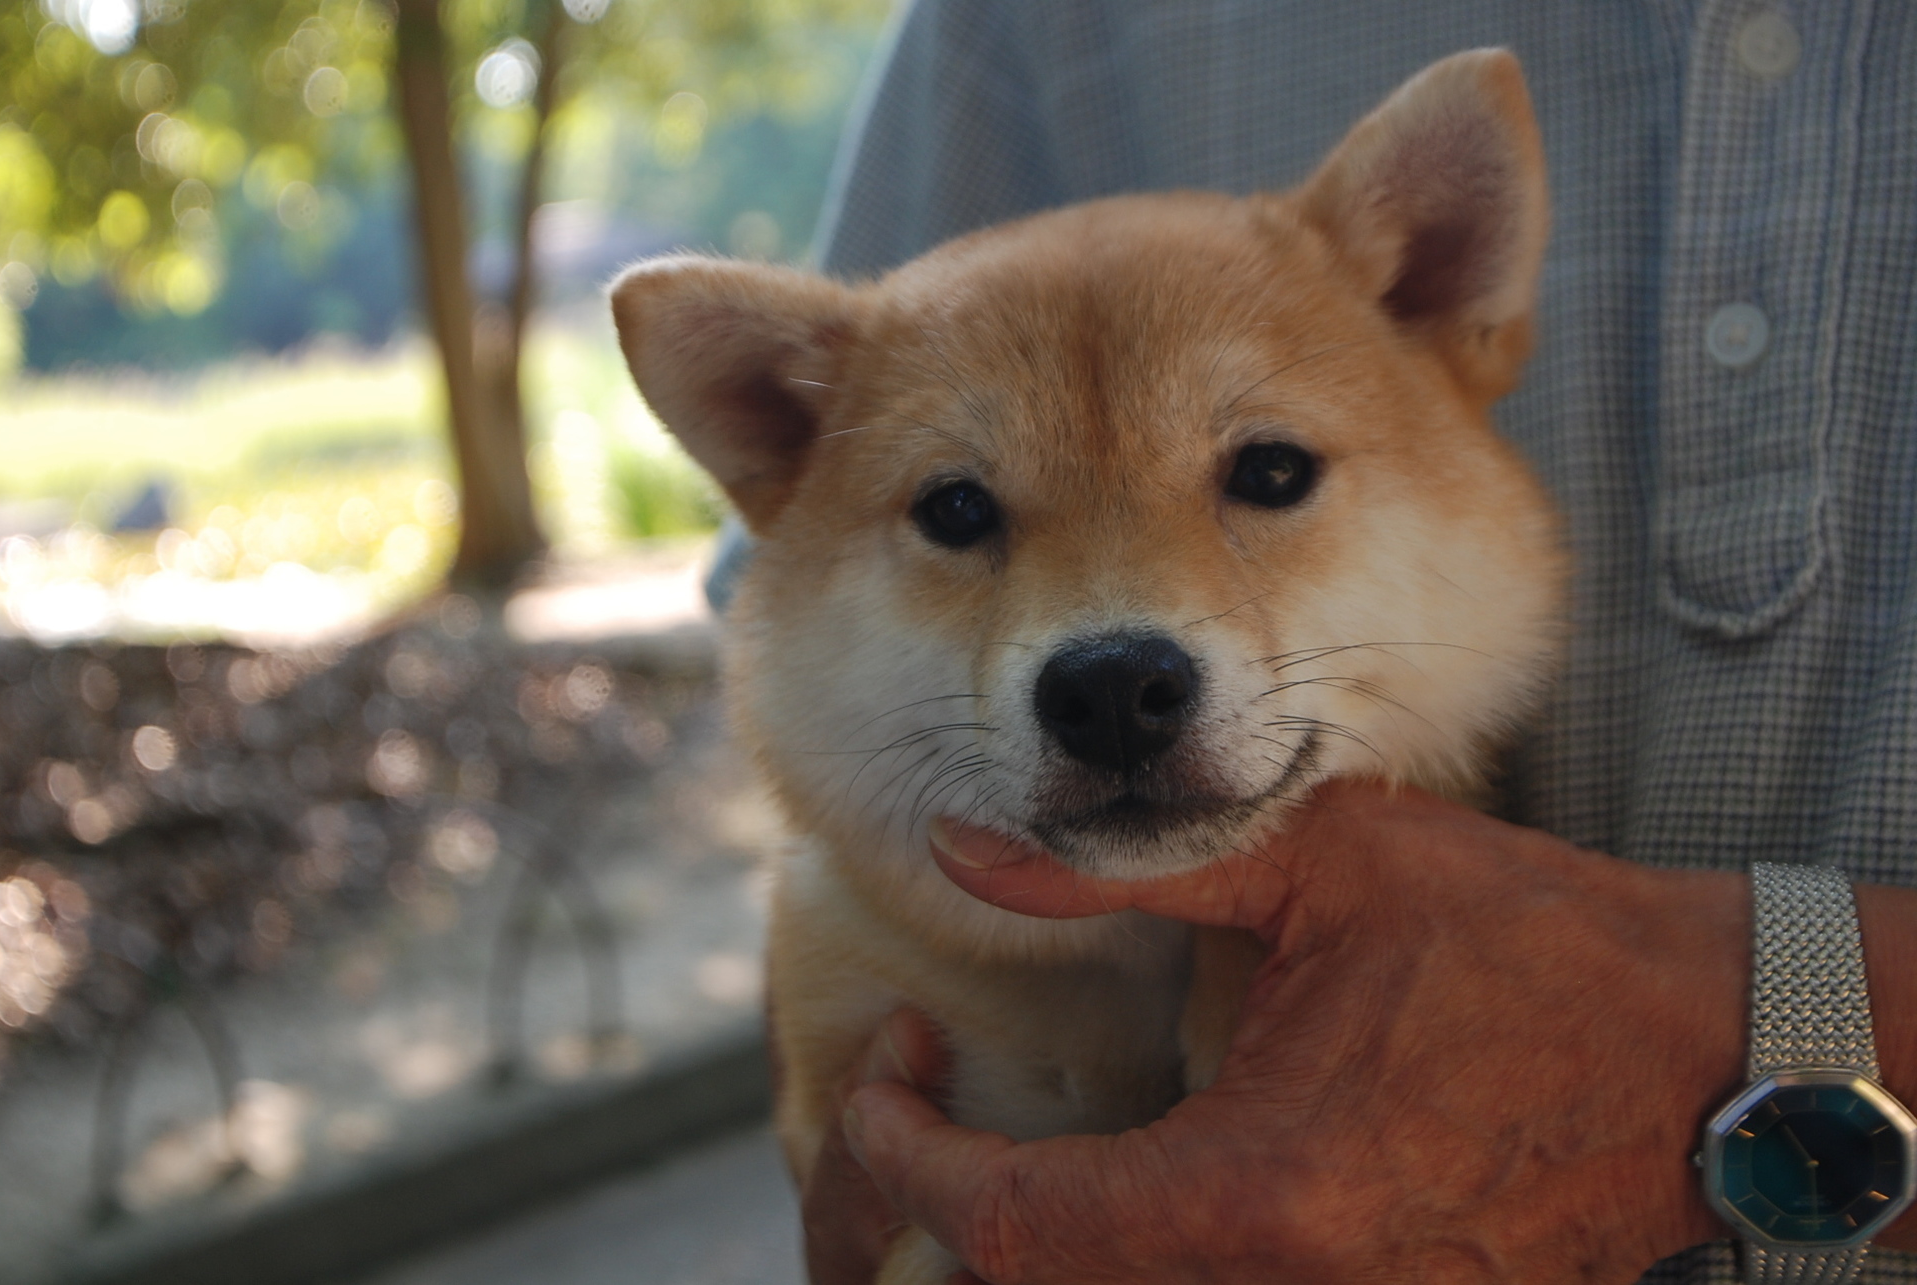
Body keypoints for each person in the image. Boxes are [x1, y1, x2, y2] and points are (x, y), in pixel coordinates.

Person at [761, 2, 1917, 1281]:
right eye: (962, 508)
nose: (1112, 645)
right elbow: (807, 597)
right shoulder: (1019, 28)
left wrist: (1746, 1059)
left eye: (1265, 469)